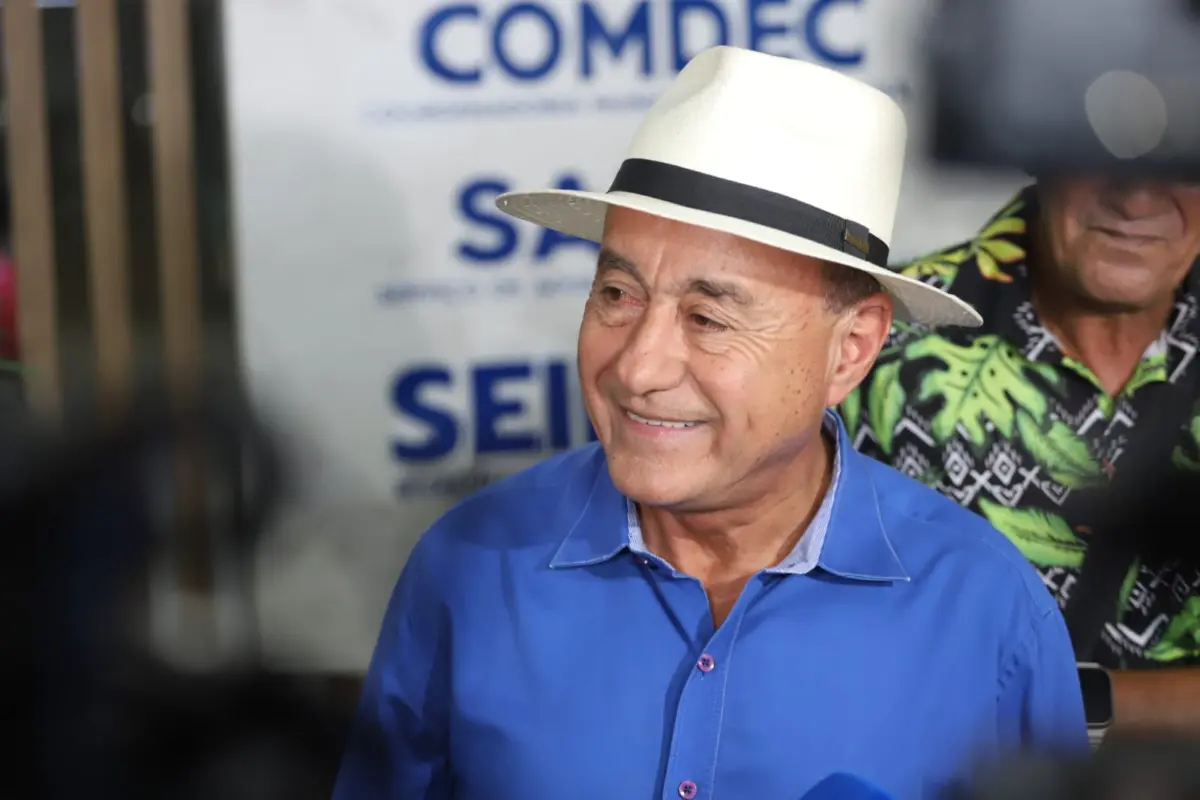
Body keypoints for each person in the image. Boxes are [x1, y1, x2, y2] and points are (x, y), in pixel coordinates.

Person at [333, 47, 1087, 800]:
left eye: (708, 318)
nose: (638, 368)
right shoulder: (470, 566)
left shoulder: (986, 616)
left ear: (851, 348)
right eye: (617, 295)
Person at [844, 177, 1200, 733]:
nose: (1137, 200)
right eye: (1109, 151)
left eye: (1182, 163)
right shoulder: (875, 337)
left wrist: (1057, 707)